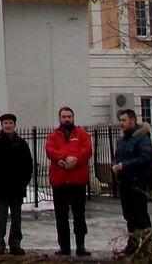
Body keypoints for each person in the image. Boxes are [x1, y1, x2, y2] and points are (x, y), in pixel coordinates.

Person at [0, 112, 34, 256]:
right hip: (0, 187)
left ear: (14, 125)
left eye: (10, 123)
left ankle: (15, 244)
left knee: (16, 218)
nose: (8, 125)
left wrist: (24, 181)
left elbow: (28, 164)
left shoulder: (21, 143)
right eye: (5, 123)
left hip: (17, 187)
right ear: (2, 125)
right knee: (0, 217)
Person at [45, 105, 93, 257]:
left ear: (73, 118)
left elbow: (87, 150)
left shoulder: (82, 134)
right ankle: (64, 247)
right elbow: (50, 150)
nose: (66, 119)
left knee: (79, 215)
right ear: (60, 118)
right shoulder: (53, 135)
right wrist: (65, 157)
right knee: (61, 216)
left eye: (69, 116)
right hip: (59, 181)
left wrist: (75, 159)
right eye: (64, 117)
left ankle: (81, 245)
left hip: (77, 181)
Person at [111, 108, 152, 255]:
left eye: (124, 120)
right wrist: (115, 165)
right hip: (125, 182)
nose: (121, 123)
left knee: (140, 214)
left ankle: (146, 244)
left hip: (137, 181)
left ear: (132, 120)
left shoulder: (142, 138)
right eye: (121, 120)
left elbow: (146, 157)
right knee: (129, 215)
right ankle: (133, 243)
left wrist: (125, 165)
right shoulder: (123, 140)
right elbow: (117, 156)